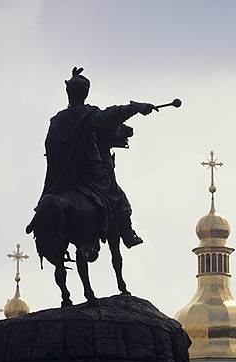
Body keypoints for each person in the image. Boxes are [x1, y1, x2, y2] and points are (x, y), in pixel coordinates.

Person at [27, 66, 156, 248]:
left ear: (68, 93)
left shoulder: (56, 120)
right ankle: (128, 235)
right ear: (85, 94)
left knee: (47, 199)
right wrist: (136, 107)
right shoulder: (87, 115)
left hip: (61, 178)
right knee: (118, 197)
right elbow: (111, 115)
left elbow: (49, 147)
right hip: (88, 175)